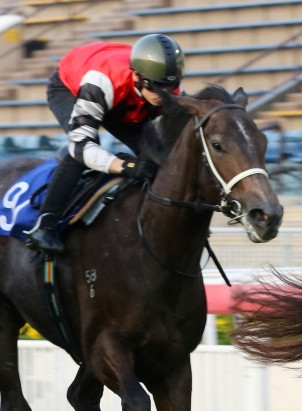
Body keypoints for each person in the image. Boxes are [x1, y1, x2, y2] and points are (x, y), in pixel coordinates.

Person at [27, 33, 185, 255]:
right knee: (84, 149)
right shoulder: (100, 82)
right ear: (137, 76)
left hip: (124, 96)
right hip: (71, 86)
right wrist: (126, 167)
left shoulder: (165, 86)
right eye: (155, 86)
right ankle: (44, 225)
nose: (163, 94)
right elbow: (82, 147)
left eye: (170, 86)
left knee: (156, 151)